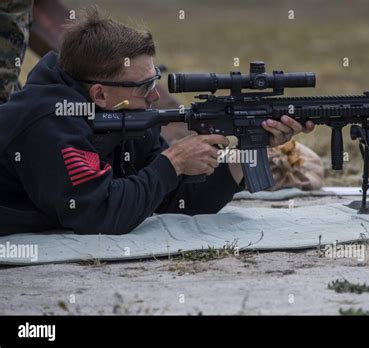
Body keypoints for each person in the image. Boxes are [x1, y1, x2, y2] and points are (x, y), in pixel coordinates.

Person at [0, 7, 315, 235]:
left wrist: (243, 156)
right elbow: (98, 214)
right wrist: (173, 160)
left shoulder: (125, 113)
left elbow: (175, 201)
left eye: (155, 80)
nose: (155, 97)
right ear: (99, 94)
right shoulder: (52, 122)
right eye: (144, 86)